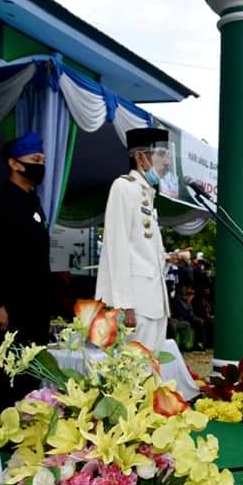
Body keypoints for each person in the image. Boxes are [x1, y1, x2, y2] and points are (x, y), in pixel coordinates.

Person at [0, 131, 53, 407]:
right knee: (10, 372)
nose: (40, 165)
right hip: (9, 305)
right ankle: (5, 430)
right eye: (34, 159)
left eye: (42, 159)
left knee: (33, 370)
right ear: (14, 163)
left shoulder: (34, 201)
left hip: (36, 305)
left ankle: (30, 425)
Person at [96, 128, 171, 354]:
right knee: (134, 374)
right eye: (161, 155)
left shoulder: (147, 192)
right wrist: (124, 305)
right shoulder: (124, 187)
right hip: (136, 304)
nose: (166, 162)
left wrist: (168, 258)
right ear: (140, 157)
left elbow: (144, 249)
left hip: (155, 301)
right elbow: (116, 249)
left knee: (152, 372)